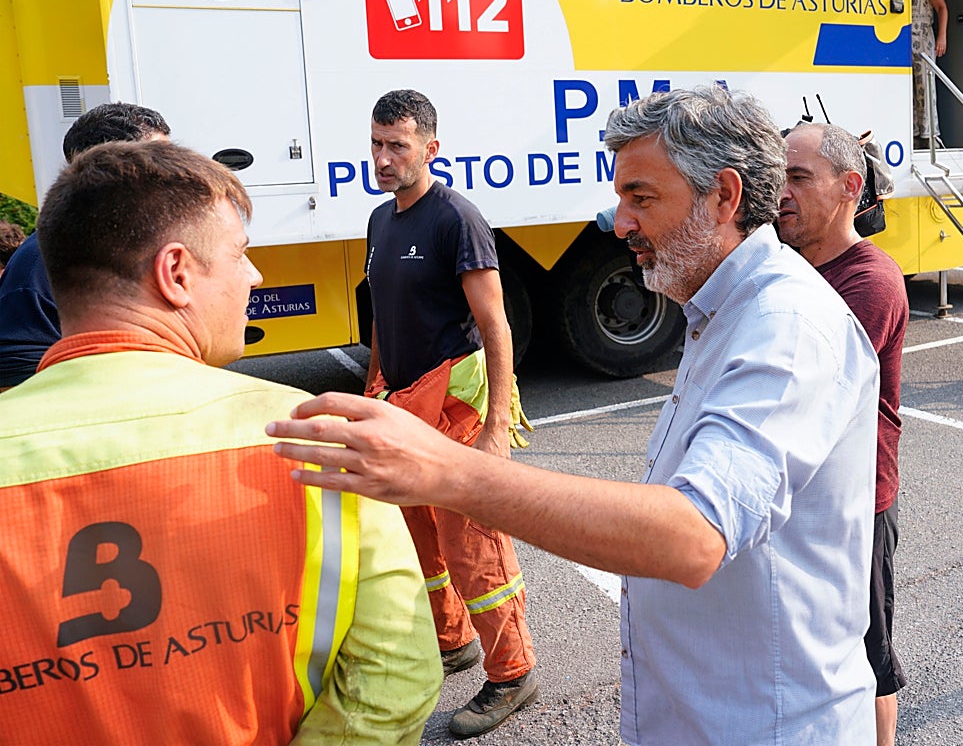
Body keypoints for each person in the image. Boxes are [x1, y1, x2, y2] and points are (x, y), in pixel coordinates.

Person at [268, 85, 882, 744]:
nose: (618, 223)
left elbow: (693, 535)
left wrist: (446, 471)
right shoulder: (721, 310)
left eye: (641, 198)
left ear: (724, 197)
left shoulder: (784, 327)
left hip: (766, 725)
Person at [0, 142, 441, 744]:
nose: (255, 275)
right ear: (176, 273)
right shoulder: (317, 435)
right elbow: (396, 675)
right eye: (241, 253)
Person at [362, 89, 537, 739]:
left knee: (474, 545)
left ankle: (514, 672)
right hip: (404, 402)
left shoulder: (455, 217)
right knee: (419, 534)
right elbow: (381, 312)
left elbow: (496, 326)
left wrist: (495, 428)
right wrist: (373, 384)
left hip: (458, 402)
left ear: (430, 148)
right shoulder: (382, 221)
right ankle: (453, 641)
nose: (382, 157)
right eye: (376, 143)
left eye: (396, 145)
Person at [778, 122, 910, 746]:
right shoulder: (791, 266)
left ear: (849, 189)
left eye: (799, 177)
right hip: (803, 496)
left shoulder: (871, 280)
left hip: (858, 500)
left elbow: (804, 378)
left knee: (867, 652)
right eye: (778, 175)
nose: (782, 191)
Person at [0, 102, 171, 392]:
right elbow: (13, 375)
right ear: (108, 169)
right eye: (159, 159)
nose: (174, 172)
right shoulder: (43, 258)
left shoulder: (129, 238)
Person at [911, 0, 948, 147]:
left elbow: (941, 7)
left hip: (923, 35)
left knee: (925, 85)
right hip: (904, 38)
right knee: (909, 87)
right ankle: (914, 133)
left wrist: (942, 36)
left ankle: (930, 136)